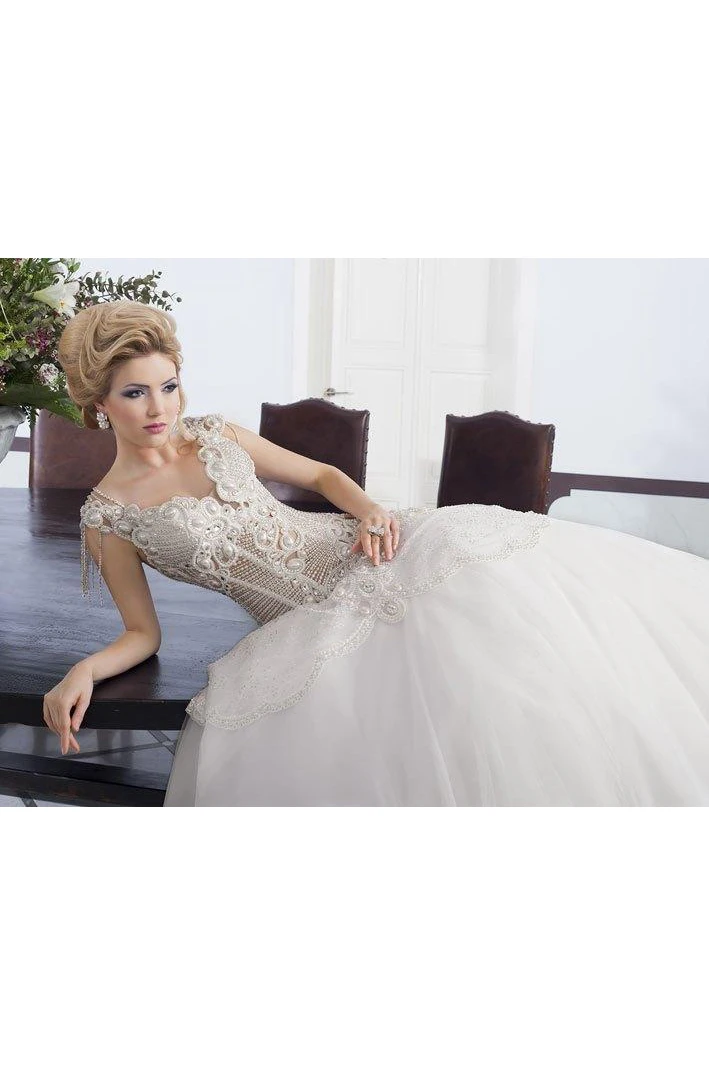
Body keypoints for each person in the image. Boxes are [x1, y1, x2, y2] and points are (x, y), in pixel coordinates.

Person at [43, 300, 709, 806]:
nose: (158, 407)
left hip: (379, 554)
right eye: (135, 392)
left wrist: (369, 511)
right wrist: (86, 671)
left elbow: (322, 476)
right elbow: (142, 634)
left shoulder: (215, 434)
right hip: (306, 625)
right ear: (99, 403)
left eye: (168, 385)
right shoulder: (108, 514)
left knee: (524, 655)